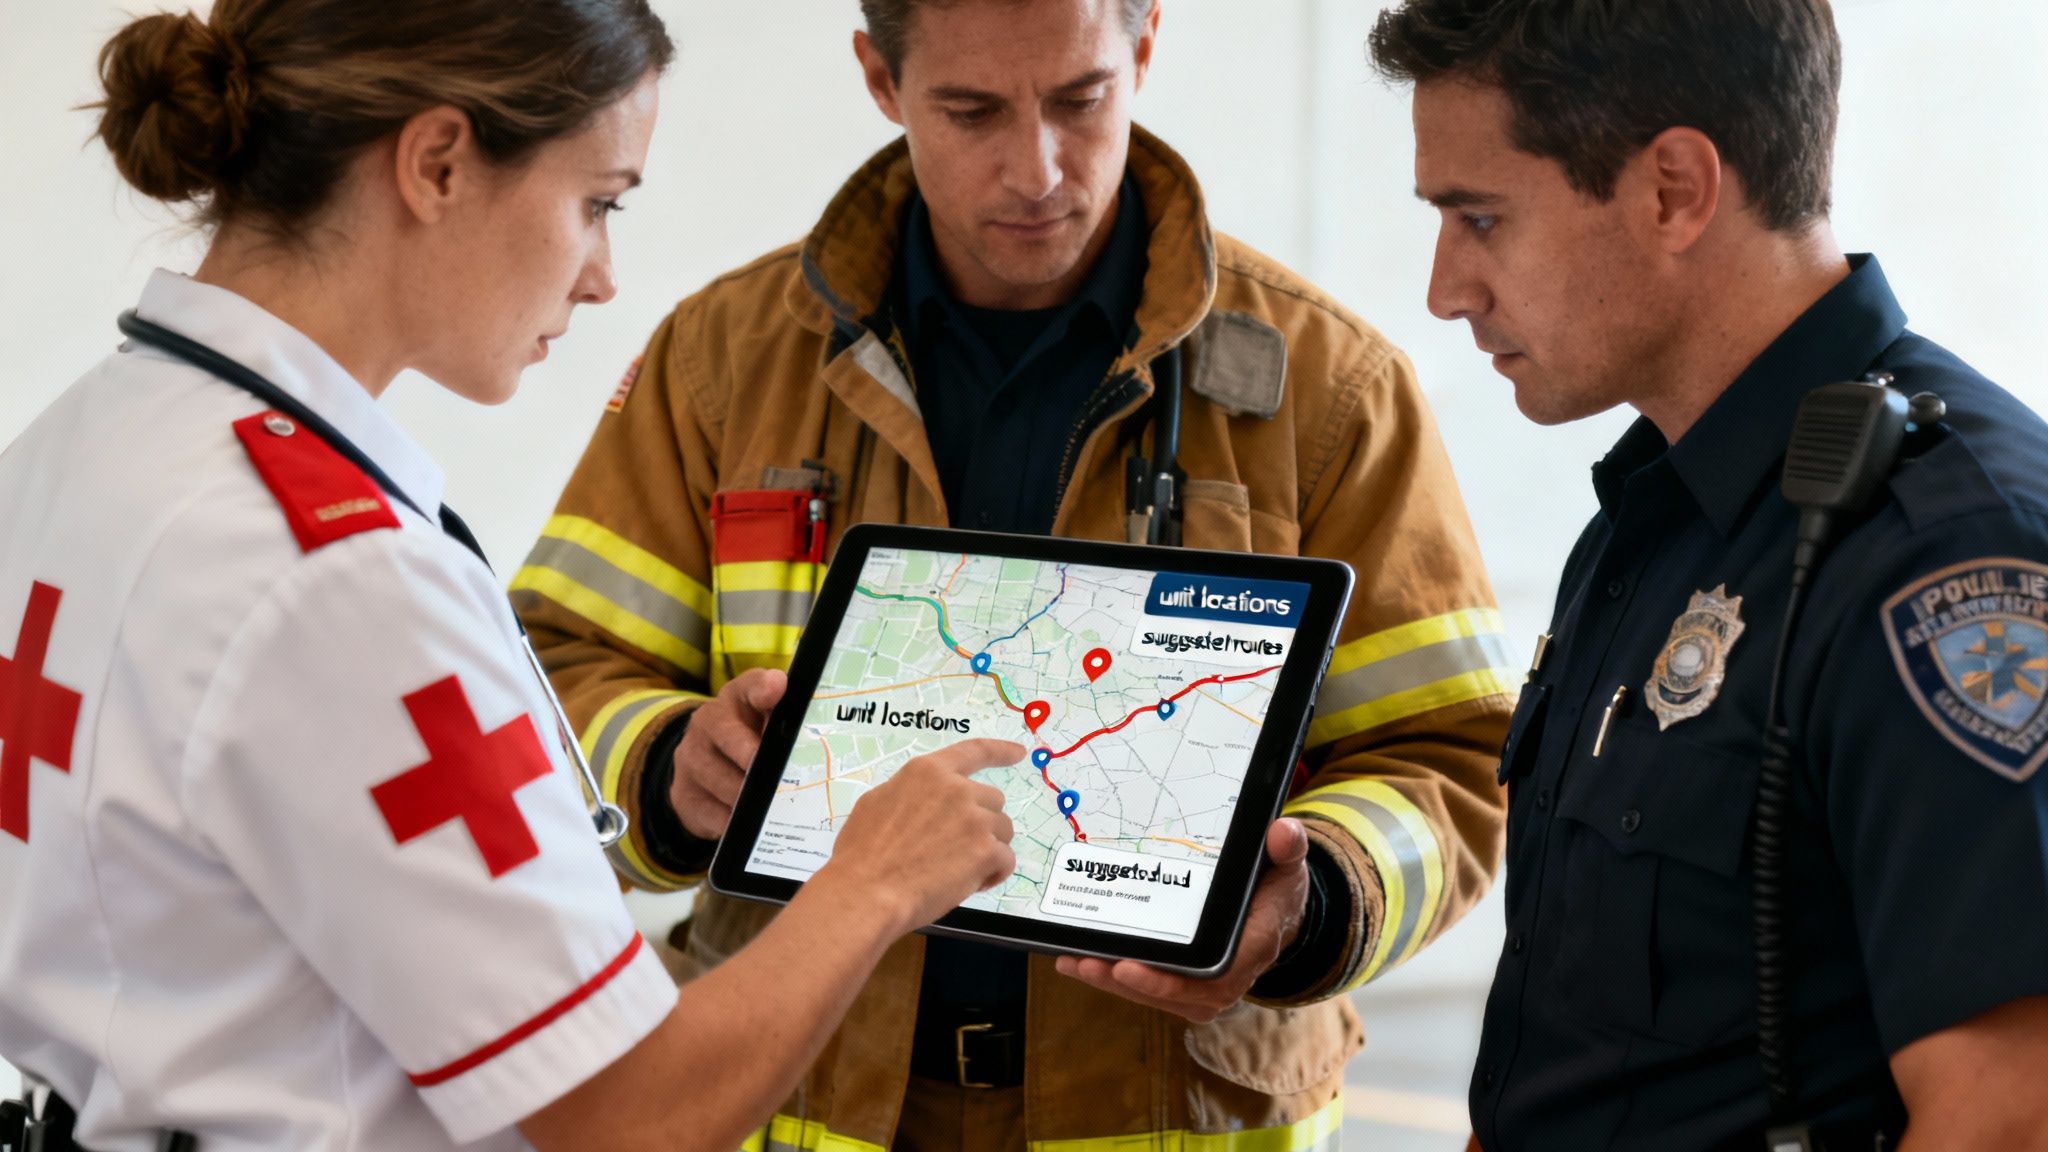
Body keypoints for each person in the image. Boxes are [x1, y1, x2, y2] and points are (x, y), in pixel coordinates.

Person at [0, 2, 1024, 1149]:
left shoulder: (74, 446)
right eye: (596, 203)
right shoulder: (337, 580)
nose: (600, 278)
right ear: (437, 163)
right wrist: (876, 878)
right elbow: (629, 1118)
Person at [511, 0, 1519, 1146]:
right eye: (971, 110)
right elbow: (554, 671)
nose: (1036, 168)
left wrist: (1315, 898)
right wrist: (660, 764)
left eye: (1080, 99)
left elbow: (1453, 761)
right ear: (880, 81)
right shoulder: (721, 362)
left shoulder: (1329, 388)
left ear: (1143, 49)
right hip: (798, 1105)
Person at [1365, 1, 2048, 1148]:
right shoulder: (1656, 514)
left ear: (1674, 189)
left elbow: (2006, 1111)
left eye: (1479, 218)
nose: (1446, 288)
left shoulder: (1945, 557)